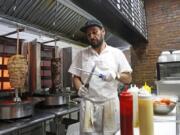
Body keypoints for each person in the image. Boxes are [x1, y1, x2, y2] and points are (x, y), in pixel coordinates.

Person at [68, 19, 132, 135]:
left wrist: (116, 75)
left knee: (111, 133)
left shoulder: (116, 53)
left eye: (94, 32)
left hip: (110, 104)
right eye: (88, 34)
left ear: (103, 32)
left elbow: (128, 78)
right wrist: (79, 88)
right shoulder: (81, 54)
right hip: (88, 105)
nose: (92, 36)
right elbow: (75, 77)